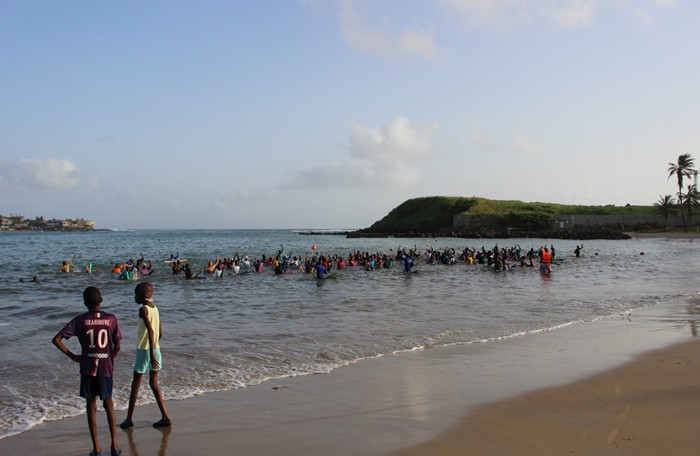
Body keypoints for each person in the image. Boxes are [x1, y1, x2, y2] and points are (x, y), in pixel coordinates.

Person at [52, 287, 122, 456]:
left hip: (88, 367)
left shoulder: (80, 320)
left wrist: (74, 356)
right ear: (102, 300)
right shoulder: (111, 319)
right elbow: (118, 345)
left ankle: (96, 448)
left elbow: (56, 339)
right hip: (105, 366)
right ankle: (114, 446)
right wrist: (109, 357)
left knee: (91, 405)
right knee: (108, 403)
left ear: (84, 303)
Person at [120, 282, 171, 429]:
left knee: (135, 385)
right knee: (154, 384)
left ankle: (129, 419)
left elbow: (151, 331)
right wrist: (154, 349)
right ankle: (165, 416)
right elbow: (160, 332)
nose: (134, 297)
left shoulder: (143, 310)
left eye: (136, 295)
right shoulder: (155, 309)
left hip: (145, 350)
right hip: (156, 349)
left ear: (142, 296)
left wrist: (149, 352)